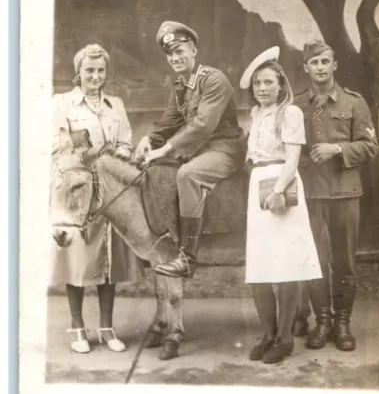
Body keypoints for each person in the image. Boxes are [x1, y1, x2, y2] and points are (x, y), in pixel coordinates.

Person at [135, 21, 246, 278]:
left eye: (180, 51)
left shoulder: (213, 79)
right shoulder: (180, 87)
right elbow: (169, 121)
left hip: (225, 149)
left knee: (188, 175)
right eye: (170, 54)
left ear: (193, 50)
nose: (175, 58)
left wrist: (165, 150)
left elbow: (203, 124)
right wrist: (149, 139)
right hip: (201, 151)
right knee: (154, 170)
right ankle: (162, 242)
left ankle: (188, 258)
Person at [294, 40, 379, 351]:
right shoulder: (296, 105)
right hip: (312, 194)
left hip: (345, 192)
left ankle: (343, 323)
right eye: (314, 62)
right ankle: (323, 321)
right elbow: (288, 149)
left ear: (334, 65)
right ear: (305, 68)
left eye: (325, 61)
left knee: (343, 261)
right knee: (314, 260)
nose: (320, 67)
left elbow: (370, 147)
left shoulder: (354, 103)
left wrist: (337, 149)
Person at [240, 47, 322, 364]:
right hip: (257, 185)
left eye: (269, 82)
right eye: (258, 83)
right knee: (260, 264)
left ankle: (285, 338)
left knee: (286, 264)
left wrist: (277, 191)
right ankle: (269, 334)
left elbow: (292, 158)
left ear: (281, 84)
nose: (263, 88)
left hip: (281, 186)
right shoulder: (256, 114)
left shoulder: (290, 112)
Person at [52, 43, 133, 353]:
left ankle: (106, 328)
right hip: (77, 188)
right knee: (77, 259)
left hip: (109, 190)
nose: (95, 76)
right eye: (89, 70)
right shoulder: (63, 104)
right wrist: (89, 156)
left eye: (100, 70)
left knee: (107, 259)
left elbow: (125, 141)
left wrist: (118, 157)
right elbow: (59, 148)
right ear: (79, 72)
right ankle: (77, 328)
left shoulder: (116, 105)